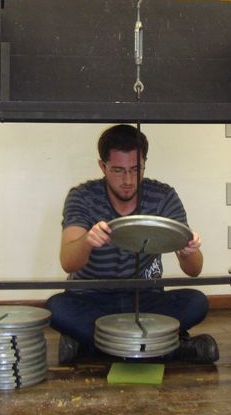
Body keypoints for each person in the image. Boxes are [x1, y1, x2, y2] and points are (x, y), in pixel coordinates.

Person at [46, 123, 219, 365]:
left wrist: (188, 250)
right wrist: (87, 241)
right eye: (118, 170)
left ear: (144, 163)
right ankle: (169, 348)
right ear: (102, 166)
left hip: (146, 299)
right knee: (56, 308)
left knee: (197, 302)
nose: (128, 180)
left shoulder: (163, 196)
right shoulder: (83, 196)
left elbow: (194, 270)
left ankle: (94, 348)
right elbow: (68, 262)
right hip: (92, 299)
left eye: (135, 169)